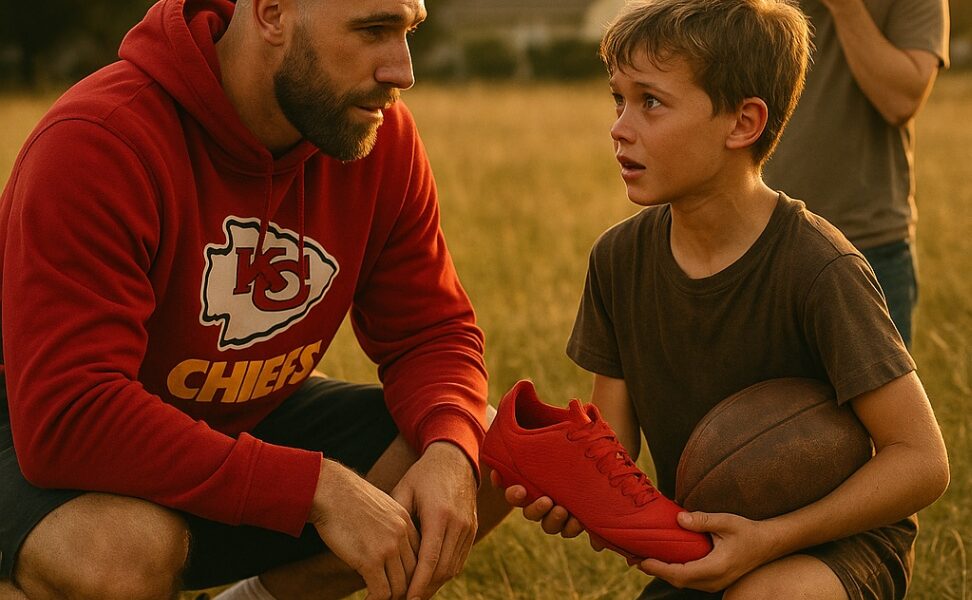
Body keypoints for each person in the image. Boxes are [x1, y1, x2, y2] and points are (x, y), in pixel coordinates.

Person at [0, 0, 510, 599]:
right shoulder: (99, 141)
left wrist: (451, 448)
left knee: (486, 450)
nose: (402, 70)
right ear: (272, 15)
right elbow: (71, 415)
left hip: (232, 420)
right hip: (34, 435)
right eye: (373, 30)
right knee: (121, 555)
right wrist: (316, 489)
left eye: (407, 31)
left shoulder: (376, 137)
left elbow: (431, 334)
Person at [494, 0, 950, 598]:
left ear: (742, 123)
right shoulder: (618, 260)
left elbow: (922, 460)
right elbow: (615, 452)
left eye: (650, 102)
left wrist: (773, 538)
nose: (619, 127)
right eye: (618, 99)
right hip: (703, 544)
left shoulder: (820, 266)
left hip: (835, 547)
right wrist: (576, 491)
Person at [762, 0, 950, 347]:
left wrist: (845, 7)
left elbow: (900, 101)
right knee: (757, 400)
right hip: (758, 241)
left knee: (877, 400)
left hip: (869, 244)